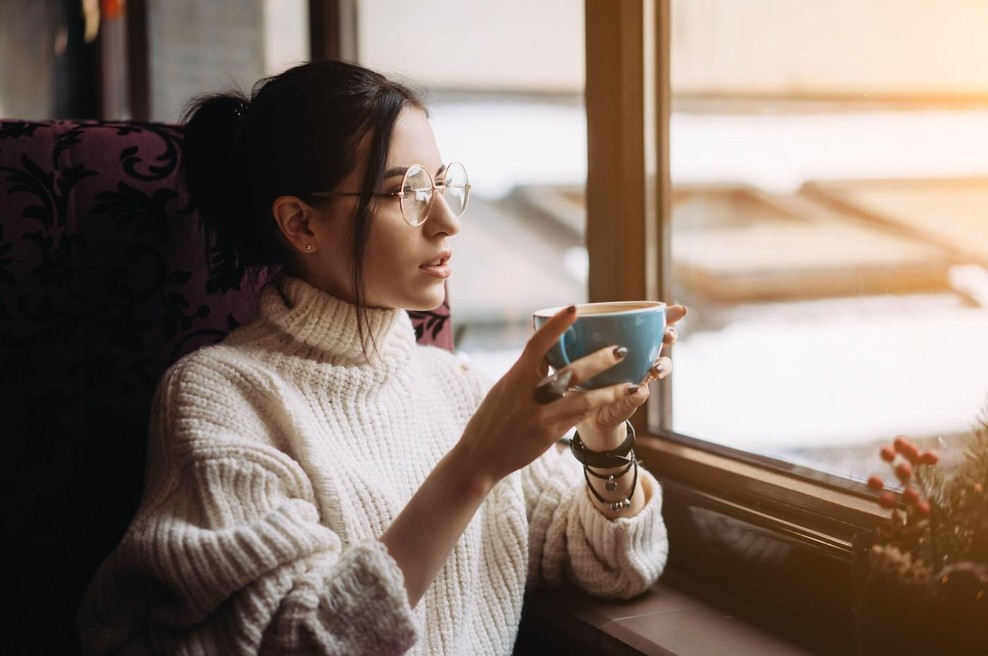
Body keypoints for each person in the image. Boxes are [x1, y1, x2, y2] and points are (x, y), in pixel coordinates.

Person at [77, 60, 686, 656]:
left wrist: (604, 439)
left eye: (444, 186)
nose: (447, 222)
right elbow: (297, 640)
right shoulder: (219, 396)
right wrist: (473, 466)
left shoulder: (456, 386)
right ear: (301, 223)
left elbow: (616, 568)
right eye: (408, 193)